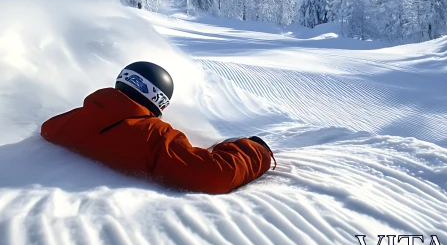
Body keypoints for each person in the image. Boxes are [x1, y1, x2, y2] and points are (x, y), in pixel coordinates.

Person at [40, 61, 275, 194]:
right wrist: (256, 150)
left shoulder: (78, 115)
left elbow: (47, 128)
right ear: (160, 100)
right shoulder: (152, 134)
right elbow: (213, 175)